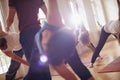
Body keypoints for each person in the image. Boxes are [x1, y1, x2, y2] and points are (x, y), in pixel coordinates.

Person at [35, 0, 94, 80]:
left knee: (77, 65)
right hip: (45, 45)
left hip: (54, 39)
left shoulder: (55, 19)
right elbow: (70, 77)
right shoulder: (53, 59)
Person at [6, 0, 52, 80]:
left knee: (34, 67)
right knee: (43, 64)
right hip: (38, 32)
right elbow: (47, 13)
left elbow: (10, 19)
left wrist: (7, 27)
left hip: (27, 34)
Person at [90, 0, 120, 68]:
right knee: (100, 46)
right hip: (104, 30)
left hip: (111, 27)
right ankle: (92, 62)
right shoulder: (118, 24)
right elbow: (119, 8)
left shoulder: (117, 27)